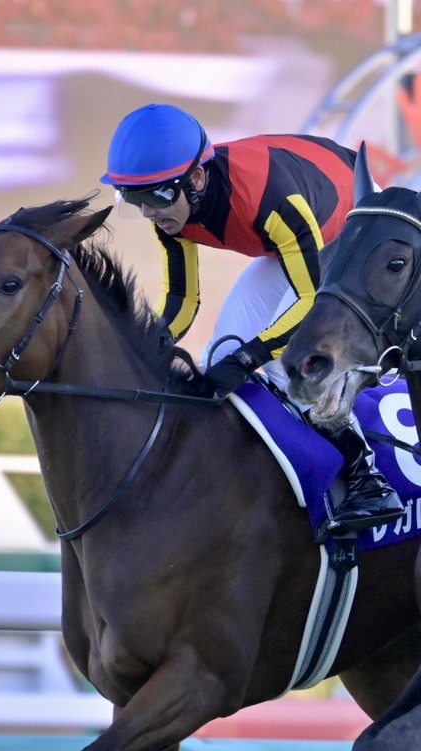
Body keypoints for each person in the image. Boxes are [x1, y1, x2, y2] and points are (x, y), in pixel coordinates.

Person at [99, 103, 404, 533]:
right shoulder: (171, 210)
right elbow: (184, 299)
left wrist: (249, 358)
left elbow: (307, 299)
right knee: (218, 351)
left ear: (198, 179)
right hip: (300, 238)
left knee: (288, 366)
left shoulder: (271, 198)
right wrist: (138, 348)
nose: (149, 212)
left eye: (157, 197)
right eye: (134, 199)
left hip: (352, 228)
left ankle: (367, 479)